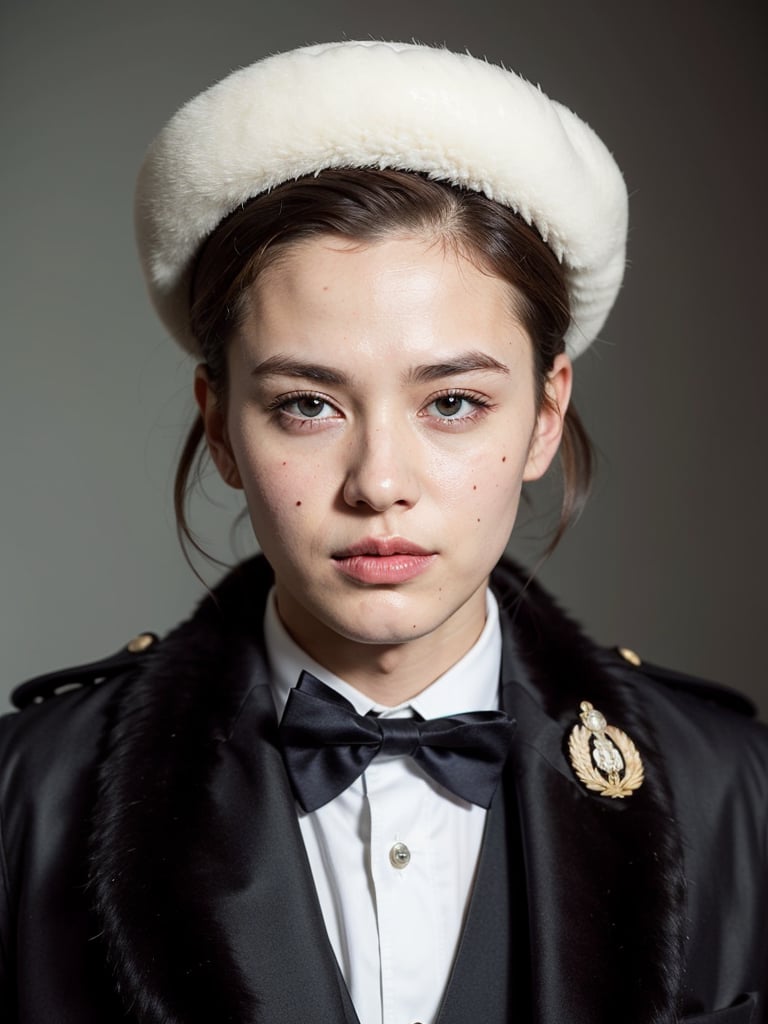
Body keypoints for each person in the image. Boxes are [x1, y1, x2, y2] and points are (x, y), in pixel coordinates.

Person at [0, 40, 765, 1024]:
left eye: (452, 401)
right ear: (219, 423)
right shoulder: (29, 799)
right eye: (307, 406)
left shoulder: (734, 792)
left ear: (543, 413)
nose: (380, 484)